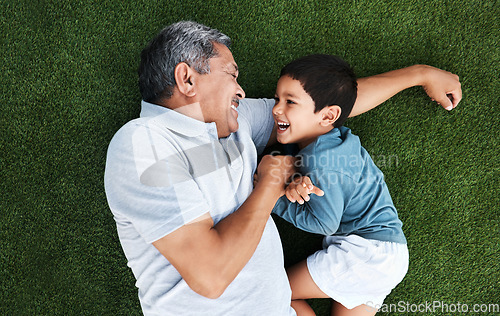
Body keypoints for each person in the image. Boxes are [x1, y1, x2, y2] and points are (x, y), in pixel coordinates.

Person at [104, 21, 461, 315]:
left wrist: (418, 75)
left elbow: (318, 109)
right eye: (231, 73)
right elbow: (210, 276)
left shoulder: (235, 122)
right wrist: (269, 185)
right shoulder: (143, 144)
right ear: (187, 79)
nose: (241, 91)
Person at [270, 54, 411, 316]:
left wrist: (275, 200)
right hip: (389, 255)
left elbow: (325, 223)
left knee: (274, 292)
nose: (276, 109)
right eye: (278, 99)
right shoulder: (337, 141)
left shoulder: (323, 162)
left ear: (328, 115)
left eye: (290, 102)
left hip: (364, 252)